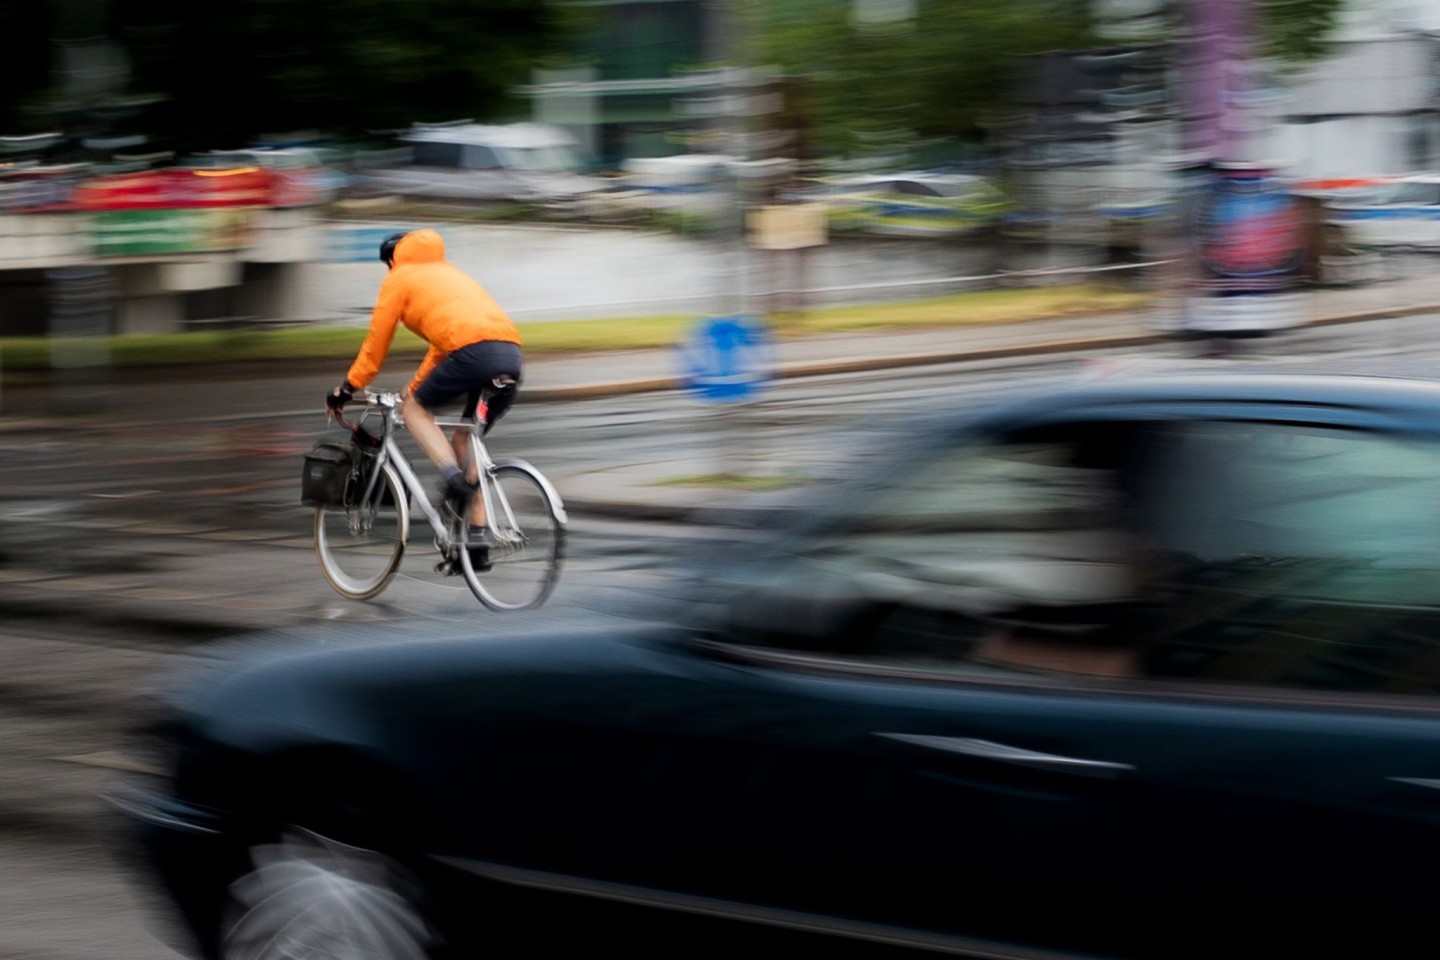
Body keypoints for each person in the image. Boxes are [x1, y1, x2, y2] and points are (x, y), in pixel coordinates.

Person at [325, 228, 522, 569]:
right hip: (509, 358)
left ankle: (453, 481)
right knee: (465, 440)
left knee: (414, 412)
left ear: (391, 260)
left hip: (472, 355)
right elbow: (441, 347)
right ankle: (477, 545)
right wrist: (414, 387)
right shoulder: (448, 273)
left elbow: (376, 344)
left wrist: (347, 387)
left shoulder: (399, 278)